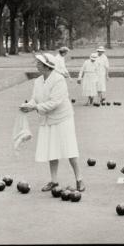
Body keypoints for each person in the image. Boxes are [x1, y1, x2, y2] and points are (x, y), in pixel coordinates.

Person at [19, 53, 85, 192]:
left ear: (46, 66)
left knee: (69, 149)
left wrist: (35, 107)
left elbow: (55, 102)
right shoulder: (38, 81)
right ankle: (54, 181)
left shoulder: (59, 80)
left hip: (63, 118)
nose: (36, 65)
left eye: (39, 63)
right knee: (52, 149)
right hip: (47, 119)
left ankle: (79, 179)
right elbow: (35, 99)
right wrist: (28, 106)